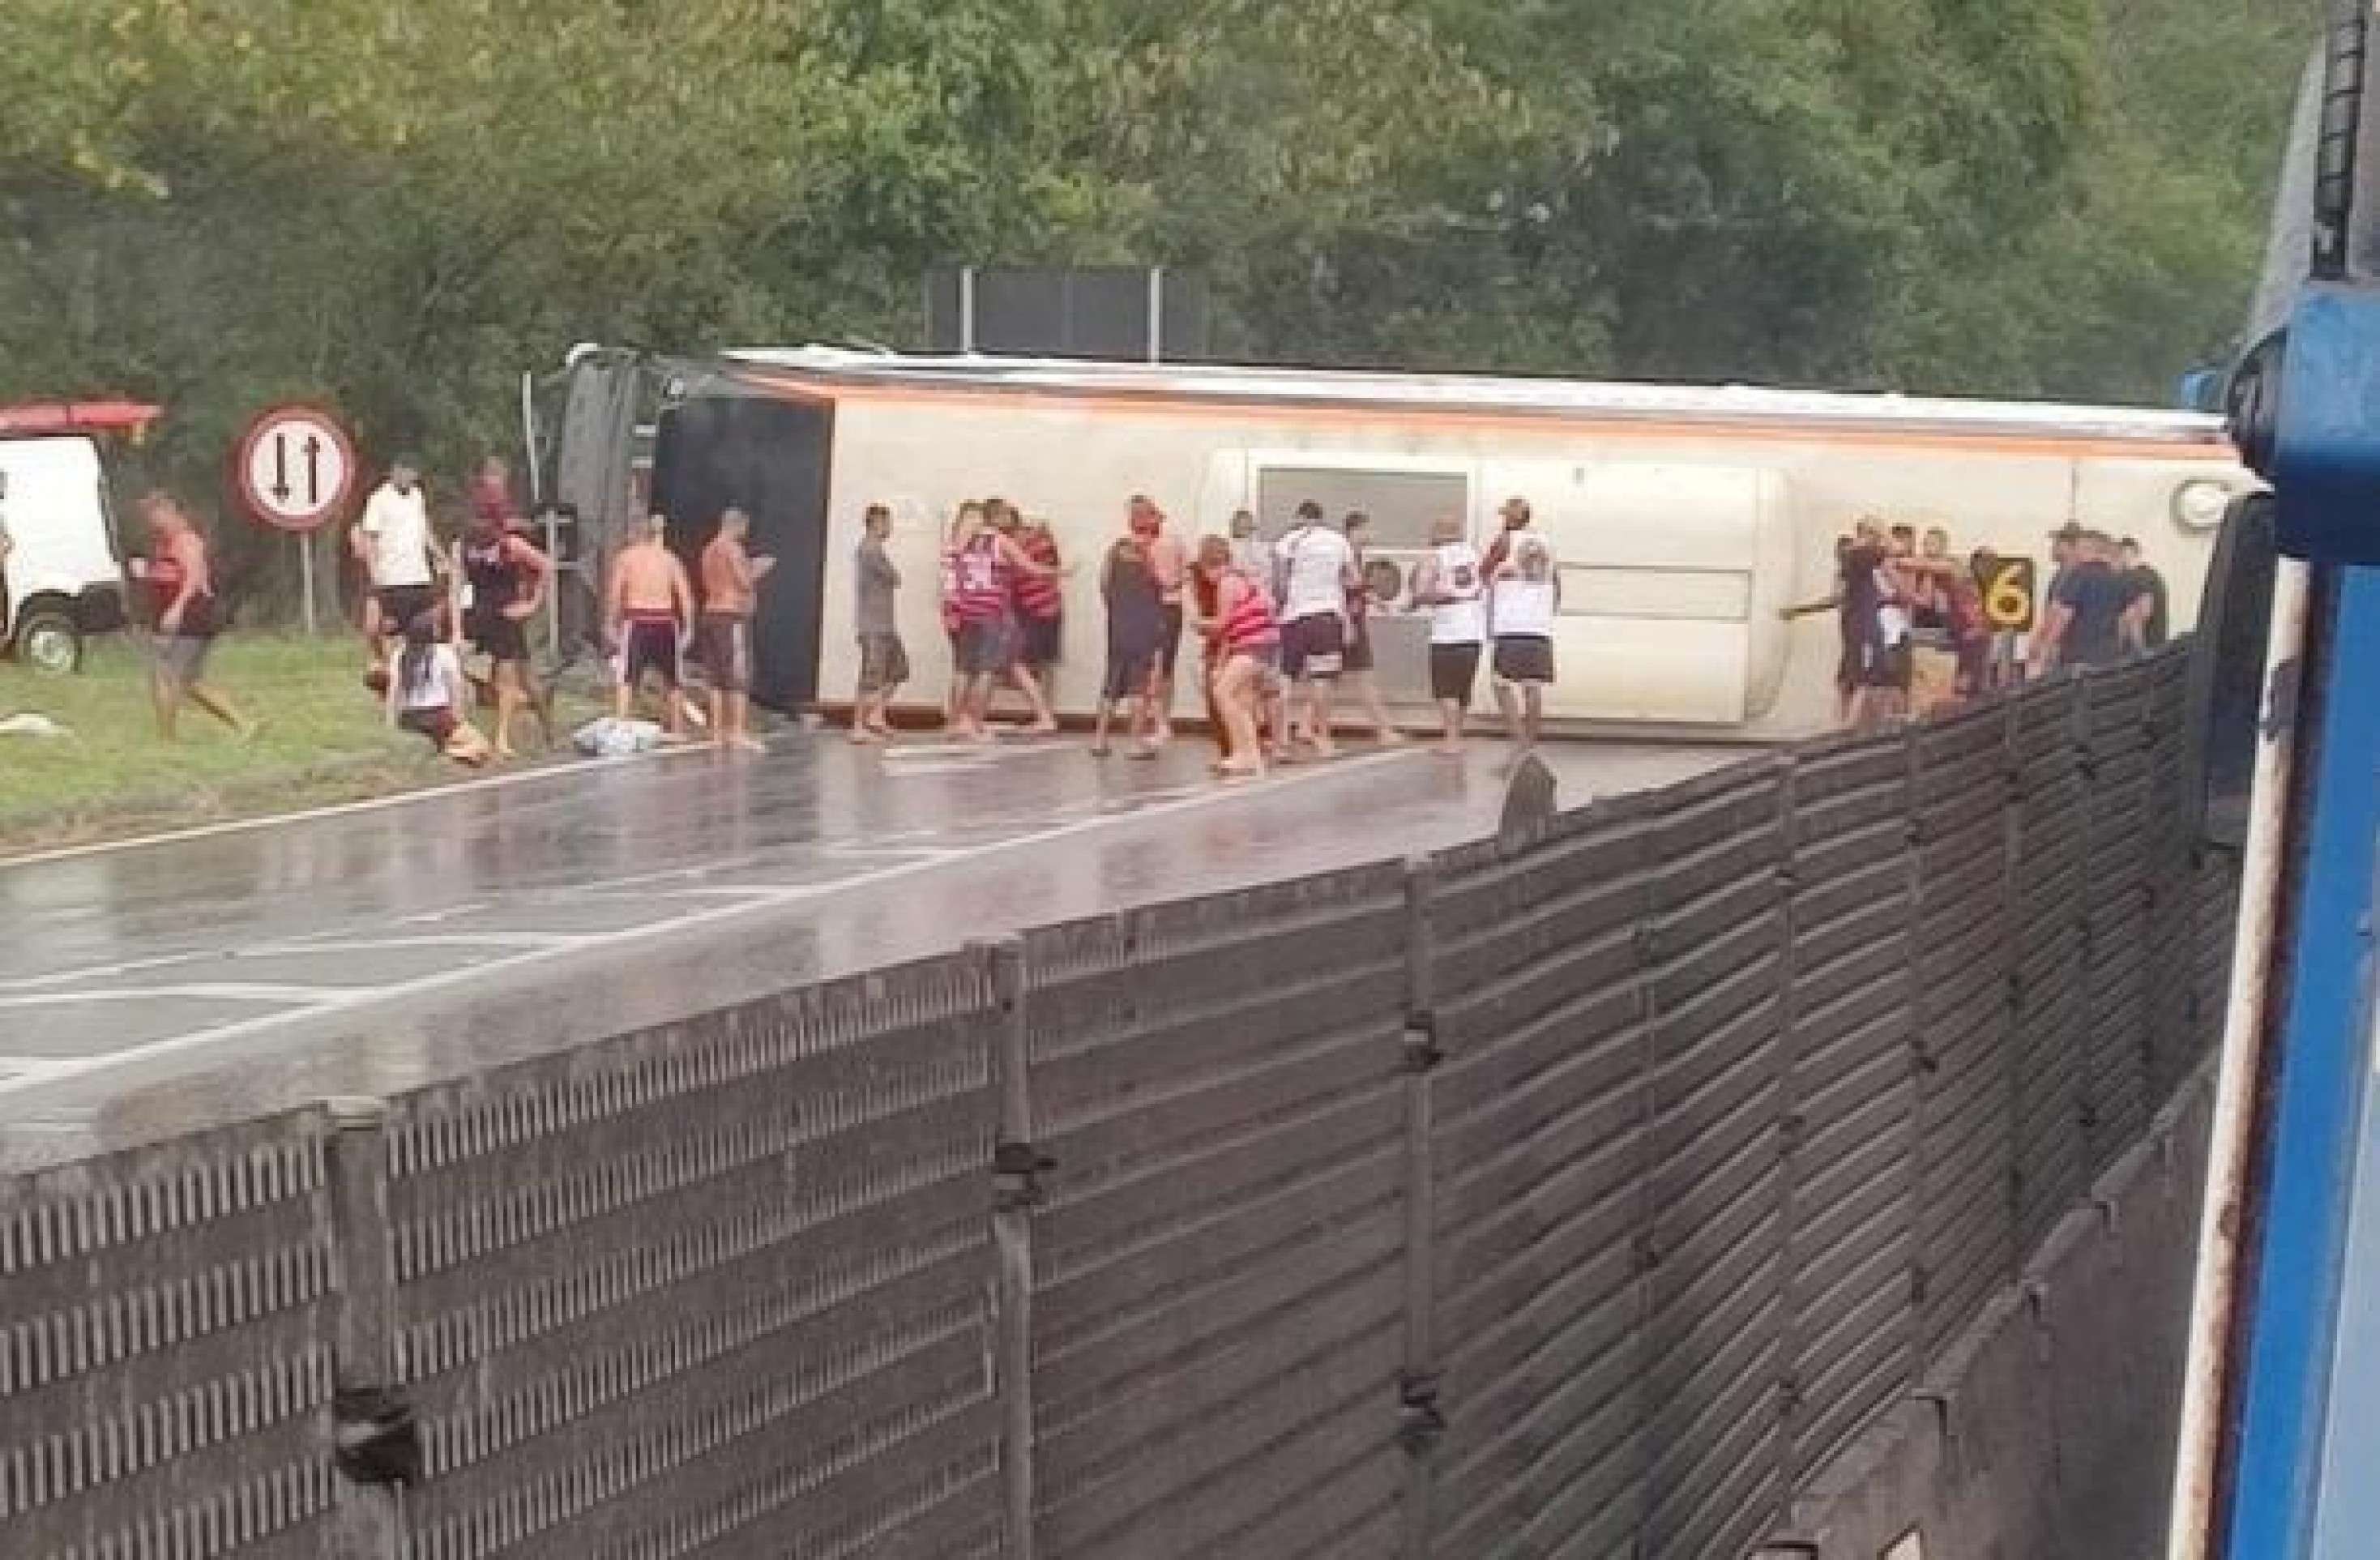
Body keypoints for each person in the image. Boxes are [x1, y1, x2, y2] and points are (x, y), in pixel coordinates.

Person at [132, 493, 254, 742]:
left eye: (155, 515)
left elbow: (194, 578)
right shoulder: (162, 543)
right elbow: (166, 574)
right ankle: (241, 724)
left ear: (170, 512)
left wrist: (177, 608)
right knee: (181, 681)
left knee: (173, 677)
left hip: (191, 617)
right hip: (169, 617)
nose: (152, 522)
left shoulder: (187, 541)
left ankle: (169, 737)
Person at [946, 500, 1055, 742]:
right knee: (989, 669)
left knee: (966, 668)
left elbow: (951, 578)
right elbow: (1029, 567)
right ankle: (974, 722)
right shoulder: (997, 542)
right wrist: (1059, 572)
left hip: (967, 612)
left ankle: (957, 721)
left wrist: (951, 609)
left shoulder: (961, 544)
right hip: (994, 613)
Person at [459, 499, 553, 760]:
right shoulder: (467, 547)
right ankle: (529, 716)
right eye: (477, 520)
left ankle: (506, 736)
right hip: (479, 613)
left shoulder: (510, 545)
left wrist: (533, 604)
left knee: (516, 679)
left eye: (485, 521)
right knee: (497, 677)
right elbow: (458, 579)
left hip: (507, 615)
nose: (480, 527)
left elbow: (545, 565)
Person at [1272, 499, 1358, 758]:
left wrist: (1283, 601)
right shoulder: (1339, 541)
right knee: (1322, 681)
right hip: (1327, 616)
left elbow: (1279, 582)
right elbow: (1354, 579)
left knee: (1285, 680)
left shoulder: (1288, 541)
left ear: (1301, 517)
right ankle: (1324, 740)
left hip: (1294, 616)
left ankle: (1281, 741)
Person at [605, 511, 697, 738]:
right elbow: (685, 596)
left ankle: (622, 724)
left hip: (637, 620)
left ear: (633, 534)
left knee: (627, 676)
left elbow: (616, 594)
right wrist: (689, 627)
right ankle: (677, 729)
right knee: (673, 678)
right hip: (666, 620)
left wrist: (610, 622)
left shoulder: (626, 558)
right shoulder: (669, 558)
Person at [1196, 533, 1280, 778]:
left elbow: (1221, 625)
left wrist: (1198, 622)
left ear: (1207, 564)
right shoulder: (1243, 579)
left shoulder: (1227, 582)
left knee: (1223, 693)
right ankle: (1249, 753)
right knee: (1242, 699)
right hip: (1260, 645)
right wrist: (1221, 664)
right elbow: (1231, 632)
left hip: (1253, 645)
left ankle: (1244, 753)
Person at [697, 506, 776, 753]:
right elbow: (743, 581)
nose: (746, 532)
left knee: (716, 676)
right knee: (738, 674)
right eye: (745, 527)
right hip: (731, 615)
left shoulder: (709, 549)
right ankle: (737, 731)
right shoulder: (732, 548)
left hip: (710, 612)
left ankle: (717, 732)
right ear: (738, 524)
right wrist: (758, 568)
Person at [353, 455, 441, 676]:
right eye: (402, 471)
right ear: (393, 472)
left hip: (419, 577)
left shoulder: (417, 496)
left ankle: (424, 679)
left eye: (411, 472)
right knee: (389, 632)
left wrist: (439, 555)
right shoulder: (379, 499)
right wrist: (376, 575)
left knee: (425, 631)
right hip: (392, 579)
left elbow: (424, 528)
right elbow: (371, 538)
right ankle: (392, 678)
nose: (407, 477)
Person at [1483, 496, 1557, 750]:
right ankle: (1532, 740)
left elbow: (1483, 572)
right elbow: (1557, 583)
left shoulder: (1505, 542)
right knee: (1533, 685)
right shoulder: (1547, 544)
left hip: (1510, 623)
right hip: (1539, 625)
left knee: (1500, 683)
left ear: (1510, 518)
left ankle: (1519, 739)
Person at [1409, 512, 1486, 756]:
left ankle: (1450, 740)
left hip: (1447, 633)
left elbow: (1422, 592)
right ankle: (1458, 737)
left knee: (1447, 690)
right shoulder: (1474, 557)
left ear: (1439, 533)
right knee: (1463, 690)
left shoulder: (1434, 558)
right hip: (1474, 631)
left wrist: (1428, 597)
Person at [1092, 524, 1165, 759]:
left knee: (1111, 686)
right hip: (1143, 629)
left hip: (1117, 629)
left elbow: (1104, 587)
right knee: (1138, 688)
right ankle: (1135, 743)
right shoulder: (1147, 561)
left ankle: (1099, 740)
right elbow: (1162, 586)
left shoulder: (1114, 557)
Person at [387, 608, 491, 765]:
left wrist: (391, 721)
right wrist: (459, 717)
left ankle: (443, 748)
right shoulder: (444, 653)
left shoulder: (399, 655)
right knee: (483, 746)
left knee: (457, 739)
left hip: (409, 717)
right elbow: (455, 687)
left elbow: (394, 691)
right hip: (439, 716)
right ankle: (448, 752)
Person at [1337, 511, 1405, 746]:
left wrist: (1376, 601)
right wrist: (1369, 588)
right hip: (1349, 621)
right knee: (1364, 677)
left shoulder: (1353, 555)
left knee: (1327, 677)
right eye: (1367, 529)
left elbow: (1353, 589)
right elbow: (1343, 588)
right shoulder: (1345, 554)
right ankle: (1384, 729)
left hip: (1350, 619)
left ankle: (1306, 725)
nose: (1371, 534)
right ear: (1355, 530)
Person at [2032, 528, 2138, 675]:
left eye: (2079, 548)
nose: (2077, 552)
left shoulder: (2080, 575)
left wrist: (2045, 648)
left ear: (2090, 549)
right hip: (2109, 656)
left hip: (2078, 657)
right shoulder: (2120, 578)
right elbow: (2128, 618)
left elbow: (2063, 616)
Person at [1131, 495, 1187, 744]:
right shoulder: (1132, 544)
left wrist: (1174, 583)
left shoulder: (1172, 540)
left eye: (1147, 514)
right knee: (1146, 666)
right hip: (1144, 608)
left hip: (1169, 606)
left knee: (1164, 666)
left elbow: (1188, 570)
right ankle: (1149, 720)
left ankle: (1164, 720)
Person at [852, 502, 907, 743]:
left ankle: (876, 716)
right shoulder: (870, 550)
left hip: (885, 622)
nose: (890, 528)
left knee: (897, 671)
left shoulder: (875, 550)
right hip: (873, 624)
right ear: (877, 522)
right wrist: (894, 575)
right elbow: (893, 577)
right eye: (888, 522)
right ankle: (858, 726)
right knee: (871, 676)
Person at [1010, 508, 1066, 707]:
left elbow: (1013, 581)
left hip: (1033, 612)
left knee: (1016, 663)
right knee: (1045, 664)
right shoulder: (1046, 543)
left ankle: (1043, 713)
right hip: (1052, 609)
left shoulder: (1020, 549)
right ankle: (1046, 711)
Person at [2120, 536, 2170, 651]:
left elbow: (2141, 614)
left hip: (2146, 648)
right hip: (2159, 645)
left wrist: (2139, 652)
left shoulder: (2136, 577)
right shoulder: (2153, 575)